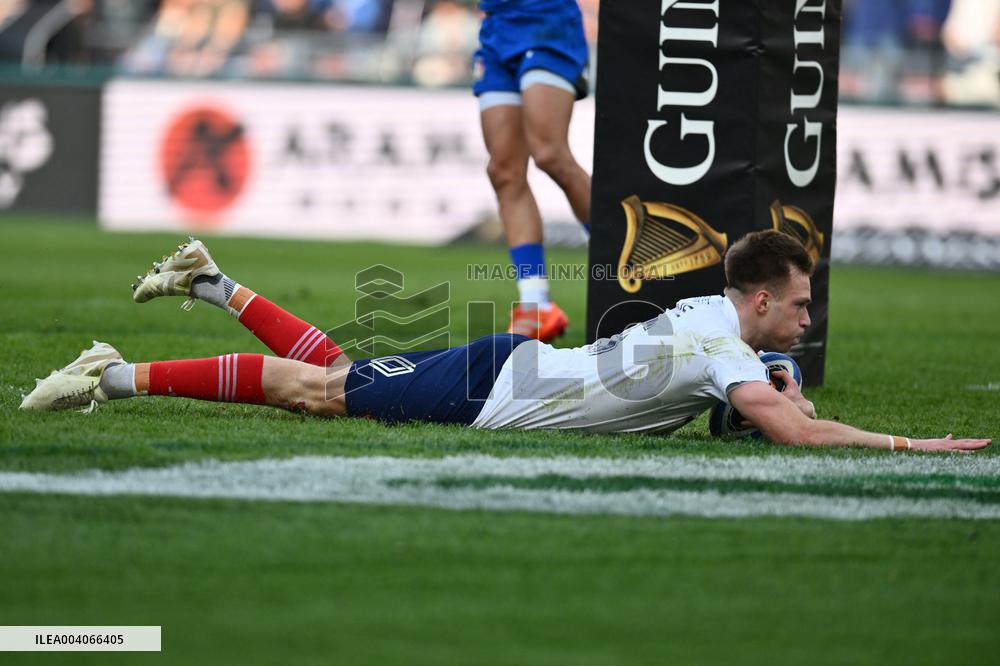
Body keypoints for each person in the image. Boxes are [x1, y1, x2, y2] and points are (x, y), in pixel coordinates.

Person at [20, 232, 990, 454]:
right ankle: (118, 373)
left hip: (508, 373)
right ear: (759, 300)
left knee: (334, 375)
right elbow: (789, 430)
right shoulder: (725, 354)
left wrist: (787, 390)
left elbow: (771, 402)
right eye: (798, 305)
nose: (806, 319)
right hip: (497, 392)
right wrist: (912, 446)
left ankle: (208, 281)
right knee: (315, 392)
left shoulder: (716, 330)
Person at [473, 0, 592, 342]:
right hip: (497, 28)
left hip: (546, 23)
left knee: (550, 154)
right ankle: (536, 304)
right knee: (503, 170)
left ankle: (624, 261)